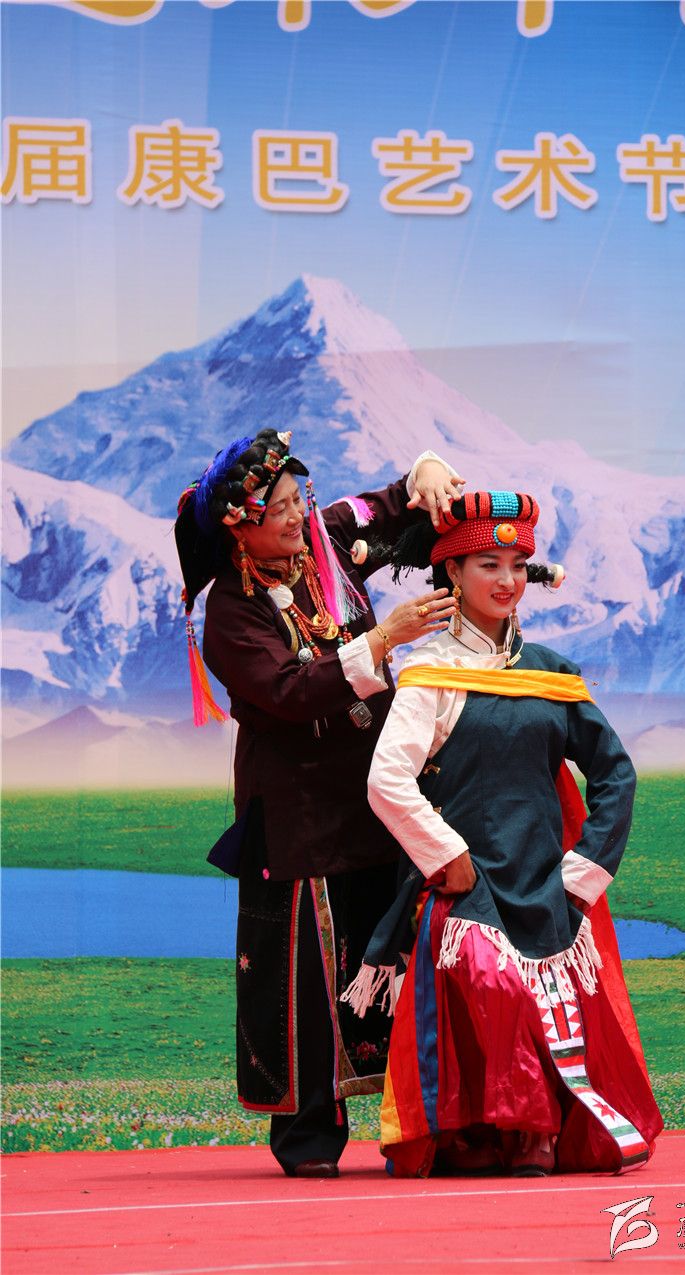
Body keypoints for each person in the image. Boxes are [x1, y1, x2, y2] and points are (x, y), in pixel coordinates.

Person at [342, 490, 663, 1178]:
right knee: (495, 982)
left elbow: (616, 774)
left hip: (546, 875)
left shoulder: (552, 673)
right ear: (453, 574)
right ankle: (491, 1124)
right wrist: (446, 856)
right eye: (489, 565)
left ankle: (535, 1131)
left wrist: (581, 874)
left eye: (517, 566)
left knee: (546, 985)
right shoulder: (429, 670)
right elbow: (387, 780)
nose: (507, 580)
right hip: (469, 880)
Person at [174, 428, 462, 1177]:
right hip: (297, 814)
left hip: (376, 796)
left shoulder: (325, 542)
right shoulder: (230, 613)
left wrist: (426, 467)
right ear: (239, 527)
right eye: (279, 510)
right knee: (304, 975)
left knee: (393, 951)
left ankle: (420, 1118)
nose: (298, 516)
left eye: (299, 499)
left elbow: (389, 505)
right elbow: (291, 692)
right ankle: (307, 1137)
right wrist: (383, 639)